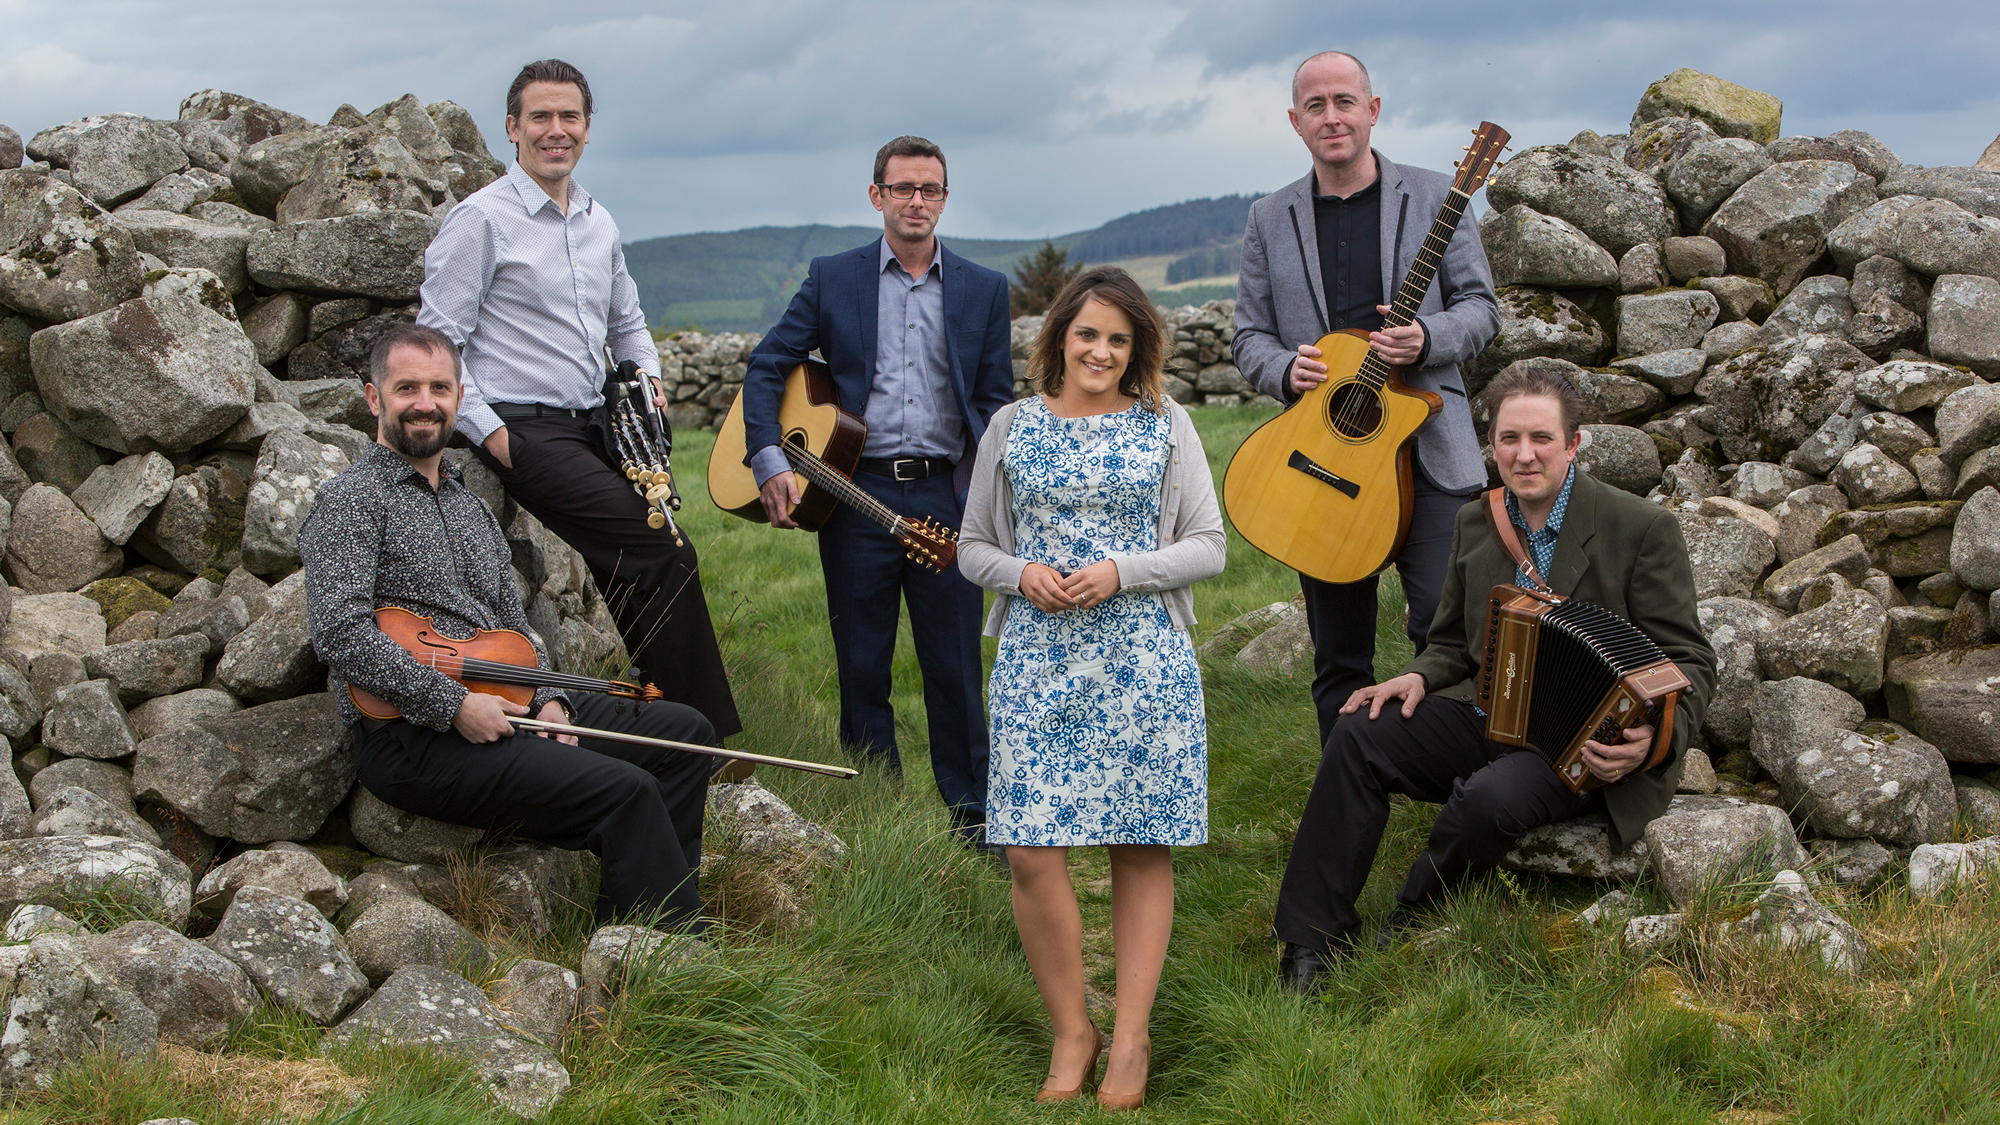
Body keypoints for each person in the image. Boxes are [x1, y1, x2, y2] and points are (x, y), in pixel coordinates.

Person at [1269, 365, 1717, 993]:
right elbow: (1451, 640)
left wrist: (1654, 741)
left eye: (1541, 439)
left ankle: (1413, 911)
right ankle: (1310, 943)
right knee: (1358, 732)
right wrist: (1418, 676)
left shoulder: (1640, 528)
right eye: (1509, 439)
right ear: (1492, 443)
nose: (1524, 455)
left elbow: (1689, 659)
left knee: (1489, 799)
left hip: (1577, 745)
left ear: (1574, 443)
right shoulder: (1476, 520)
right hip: (1486, 712)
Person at [300, 325, 718, 930]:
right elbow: (340, 634)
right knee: (625, 789)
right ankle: (666, 957)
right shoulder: (350, 501)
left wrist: (547, 699)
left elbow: (512, 625)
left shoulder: (467, 504)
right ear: (374, 398)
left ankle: (647, 921)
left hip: (508, 696)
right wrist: (452, 705)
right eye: (407, 387)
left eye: (440, 387)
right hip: (412, 737)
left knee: (685, 735)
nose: (425, 402)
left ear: (458, 395)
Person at [960, 267, 1226, 1109]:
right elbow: (971, 545)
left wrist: (1123, 569)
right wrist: (1019, 571)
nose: (1101, 351)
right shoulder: (1012, 426)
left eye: (1119, 338)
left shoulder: (1165, 424)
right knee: (1031, 849)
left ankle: (1133, 1038)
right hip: (1038, 661)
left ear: (1137, 348)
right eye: (1088, 335)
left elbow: (1209, 544)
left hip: (1143, 660)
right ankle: (1075, 1030)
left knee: (1137, 841)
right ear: (1059, 338)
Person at [417, 59, 741, 743]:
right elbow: (436, 344)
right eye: (540, 116)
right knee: (664, 553)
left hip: (598, 425)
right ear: (513, 128)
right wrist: (492, 432)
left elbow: (628, 322)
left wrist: (648, 378)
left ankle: (658, 722)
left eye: (569, 117)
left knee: (639, 559)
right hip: (524, 428)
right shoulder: (481, 220)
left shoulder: (600, 222)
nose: (555, 130)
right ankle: (704, 739)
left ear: (588, 129)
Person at [739, 136, 1013, 850]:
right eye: (903, 188)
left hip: (947, 498)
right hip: (853, 496)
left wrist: (994, 495)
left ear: (945, 199)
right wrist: (769, 453)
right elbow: (770, 362)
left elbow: (993, 399)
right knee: (862, 662)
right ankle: (879, 817)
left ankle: (972, 819)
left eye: (930, 189)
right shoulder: (835, 277)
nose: (916, 200)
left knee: (954, 666)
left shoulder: (984, 288)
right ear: (877, 196)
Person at [1231, 50, 1501, 749]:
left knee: (1446, 635)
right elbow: (1247, 338)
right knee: (1339, 657)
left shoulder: (1439, 195)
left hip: (1432, 454)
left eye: (1345, 101)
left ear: (1372, 110)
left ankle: (1460, 793)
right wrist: (1287, 369)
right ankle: (1344, 800)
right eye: (1315, 106)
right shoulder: (1269, 217)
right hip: (1325, 455)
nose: (1332, 117)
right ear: (1295, 121)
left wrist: (1427, 337)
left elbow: (1482, 309)